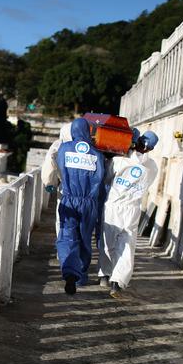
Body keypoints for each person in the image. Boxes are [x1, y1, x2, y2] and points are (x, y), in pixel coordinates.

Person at [98, 130, 159, 298]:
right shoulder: (152, 166)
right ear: (151, 149)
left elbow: (106, 177)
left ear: (136, 141)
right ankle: (118, 282)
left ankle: (105, 274)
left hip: (113, 206)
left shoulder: (119, 161)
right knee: (126, 245)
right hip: (132, 210)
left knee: (107, 242)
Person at [55, 118, 105, 295]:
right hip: (89, 202)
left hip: (69, 199)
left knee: (67, 236)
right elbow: (100, 180)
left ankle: (70, 272)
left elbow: (59, 168)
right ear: (88, 131)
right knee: (85, 239)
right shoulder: (97, 154)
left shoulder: (64, 149)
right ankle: (81, 275)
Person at [41, 122, 72, 235]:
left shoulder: (59, 145)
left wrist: (50, 183)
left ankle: (62, 249)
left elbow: (49, 162)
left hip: (65, 187)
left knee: (62, 220)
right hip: (87, 192)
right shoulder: (86, 146)